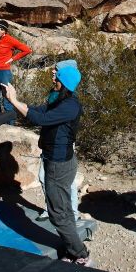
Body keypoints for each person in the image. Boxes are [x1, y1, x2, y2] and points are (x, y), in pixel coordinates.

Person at [2, 66, 92, 266]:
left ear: (65, 82)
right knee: (63, 209)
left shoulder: (70, 106)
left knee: (57, 213)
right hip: (57, 161)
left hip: (59, 165)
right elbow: (37, 110)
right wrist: (14, 100)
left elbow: (40, 119)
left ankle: (80, 254)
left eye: (57, 77)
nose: (54, 80)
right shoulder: (59, 99)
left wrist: (14, 101)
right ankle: (72, 247)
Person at [37, 59, 80, 222]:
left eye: (57, 70)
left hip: (62, 144)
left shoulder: (68, 96)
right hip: (49, 142)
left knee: (66, 182)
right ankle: (52, 208)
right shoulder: (54, 91)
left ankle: (73, 214)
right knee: (44, 177)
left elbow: (49, 118)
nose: (53, 72)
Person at [0, 19, 31, 115]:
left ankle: (9, 123)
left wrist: (12, 59)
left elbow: (27, 50)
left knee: (7, 97)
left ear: (5, 31)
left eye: (2, 29)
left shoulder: (10, 40)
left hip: (4, 72)